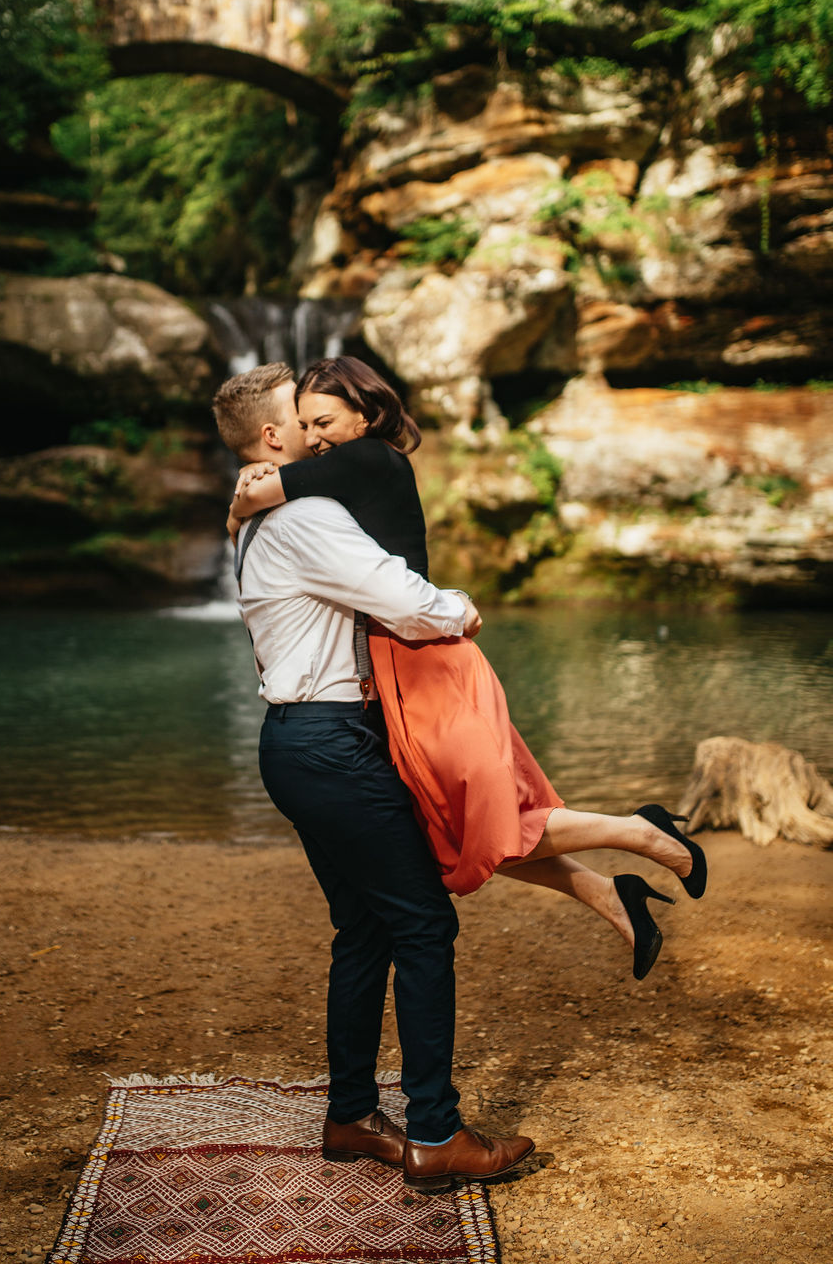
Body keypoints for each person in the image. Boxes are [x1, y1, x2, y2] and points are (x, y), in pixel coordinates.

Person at [227, 356, 708, 983]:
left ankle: (640, 832)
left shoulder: (367, 456)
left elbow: (253, 502)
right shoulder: (341, 470)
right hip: (397, 663)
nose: (312, 436)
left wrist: (243, 492)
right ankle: (610, 894)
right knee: (444, 830)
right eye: (303, 424)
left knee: (476, 820)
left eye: (321, 421)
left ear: (366, 414)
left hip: (424, 661)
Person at [211, 361, 535, 1193]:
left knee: (364, 929)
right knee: (423, 927)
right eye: (306, 422)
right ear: (277, 439)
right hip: (332, 743)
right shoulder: (310, 513)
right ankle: (434, 1134)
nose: (322, 437)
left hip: (295, 741)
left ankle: (352, 1116)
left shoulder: (266, 519)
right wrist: (463, 607)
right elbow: (406, 600)